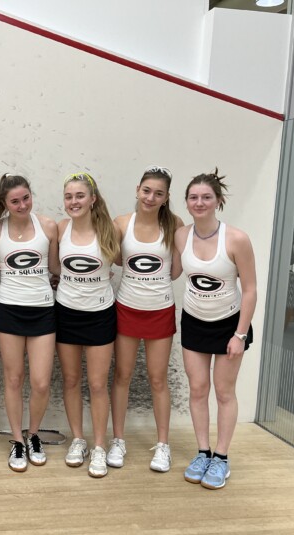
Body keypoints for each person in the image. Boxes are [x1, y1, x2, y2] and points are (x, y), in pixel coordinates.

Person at [173, 168, 257, 490]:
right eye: (193, 197)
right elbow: (173, 272)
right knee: (197, 390)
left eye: (206, 197)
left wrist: (240, 335)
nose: (199, 202)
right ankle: (203, 452)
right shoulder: (181, 235)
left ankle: (221, 458)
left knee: (224, 393)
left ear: (218, 201)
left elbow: (249, 290)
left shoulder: (236, 239)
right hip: (193, 321)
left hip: (229, 326)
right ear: (186, 202)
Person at [0, 174, 60, 472]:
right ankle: (16, 440)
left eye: (26, 198)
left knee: (40, 382)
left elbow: (55, 268)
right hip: (9, 311)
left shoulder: (48, 226)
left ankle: (33, 434)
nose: (22, 204)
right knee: (13, 379)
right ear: (4, 203)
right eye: (15, 201)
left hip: (43, 311)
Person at [110, 166, 183, 472]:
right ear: (138, 189)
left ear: (166, 197)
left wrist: (154, 287)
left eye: (159, 193)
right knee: (122, 376)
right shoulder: (121, 223)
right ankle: (117, 441)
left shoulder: (176, 226)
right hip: (126, 308)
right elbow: (115, 259)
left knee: (157, 379)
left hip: (160, 311)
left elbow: (176, 270)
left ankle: (163, 446)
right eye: (147, 191)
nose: (151, 198)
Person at [56, 172, 119, 478]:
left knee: (96, 384)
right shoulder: (59, 229)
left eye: (80, 196)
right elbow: (53, 266)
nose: (74, 201)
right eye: (69, 196)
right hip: (66, 312)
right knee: (70, 380)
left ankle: (98, 447)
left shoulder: (110, 230)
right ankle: (78, 440)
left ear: (93, 199)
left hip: (100, 315)